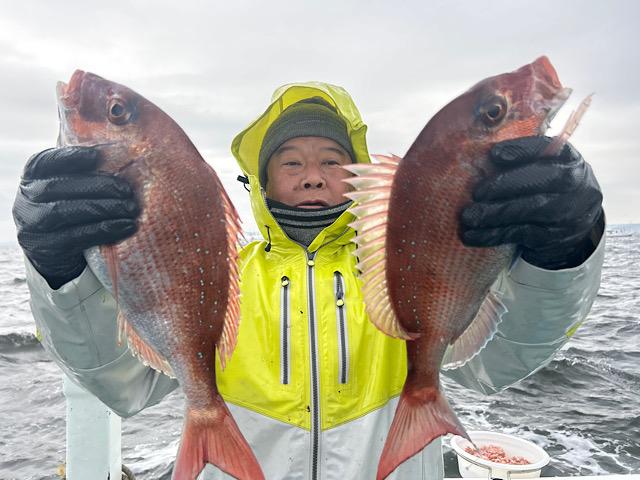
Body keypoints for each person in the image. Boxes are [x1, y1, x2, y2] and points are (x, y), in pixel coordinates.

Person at [13, 81, 605, 479]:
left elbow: (502, 360)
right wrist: (62, 275)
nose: (313, 175)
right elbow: (122, 386)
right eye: (291, 162)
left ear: (360, 173)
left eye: (332, 160)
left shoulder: (401, 266)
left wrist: (561, 256)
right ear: (261, 180)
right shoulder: (224, 275)